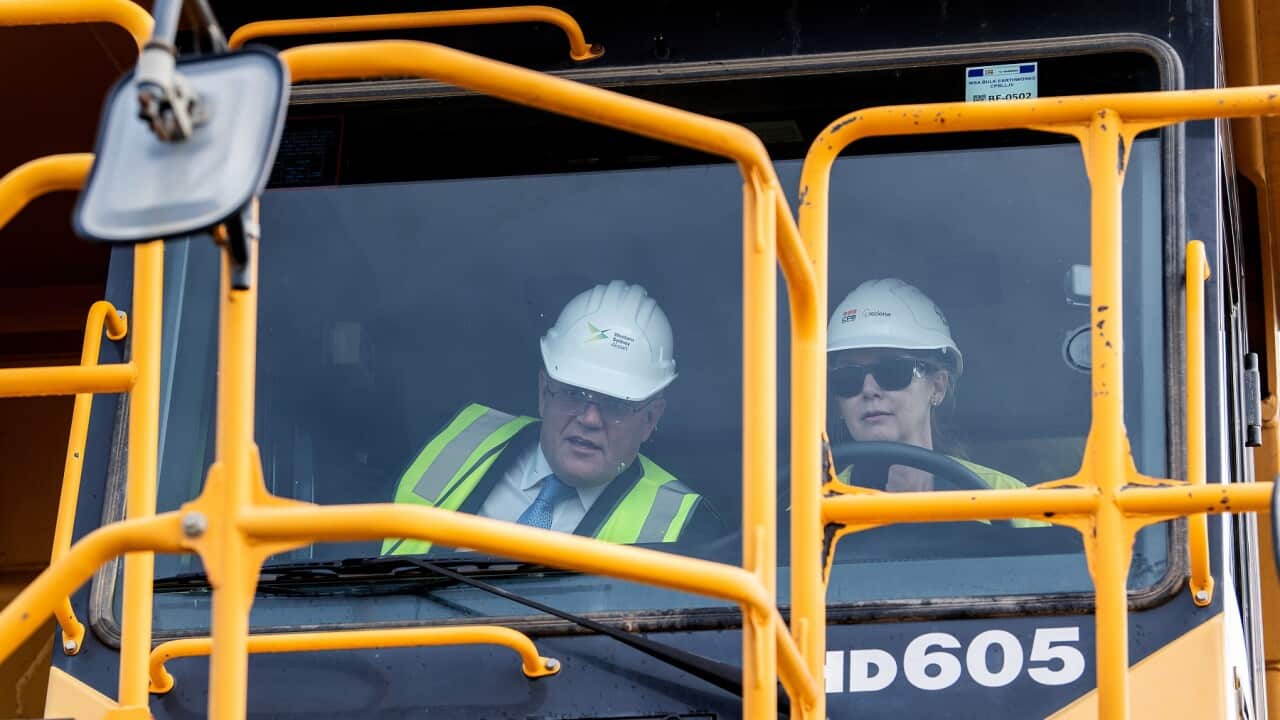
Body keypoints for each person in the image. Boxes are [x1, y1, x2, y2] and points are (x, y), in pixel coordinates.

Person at [382, 280, 721, 555]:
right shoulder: (452, 440)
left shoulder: (684, 528)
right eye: (575, 393)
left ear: (649, 420)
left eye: (615, 404)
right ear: (544, 392)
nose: (589, 418)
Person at [827, 278, 1029, 497]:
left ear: (937, 387)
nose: (868, 390)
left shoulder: (1009, 499)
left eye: (892, 371)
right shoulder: (806, 514)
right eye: (848, 377)